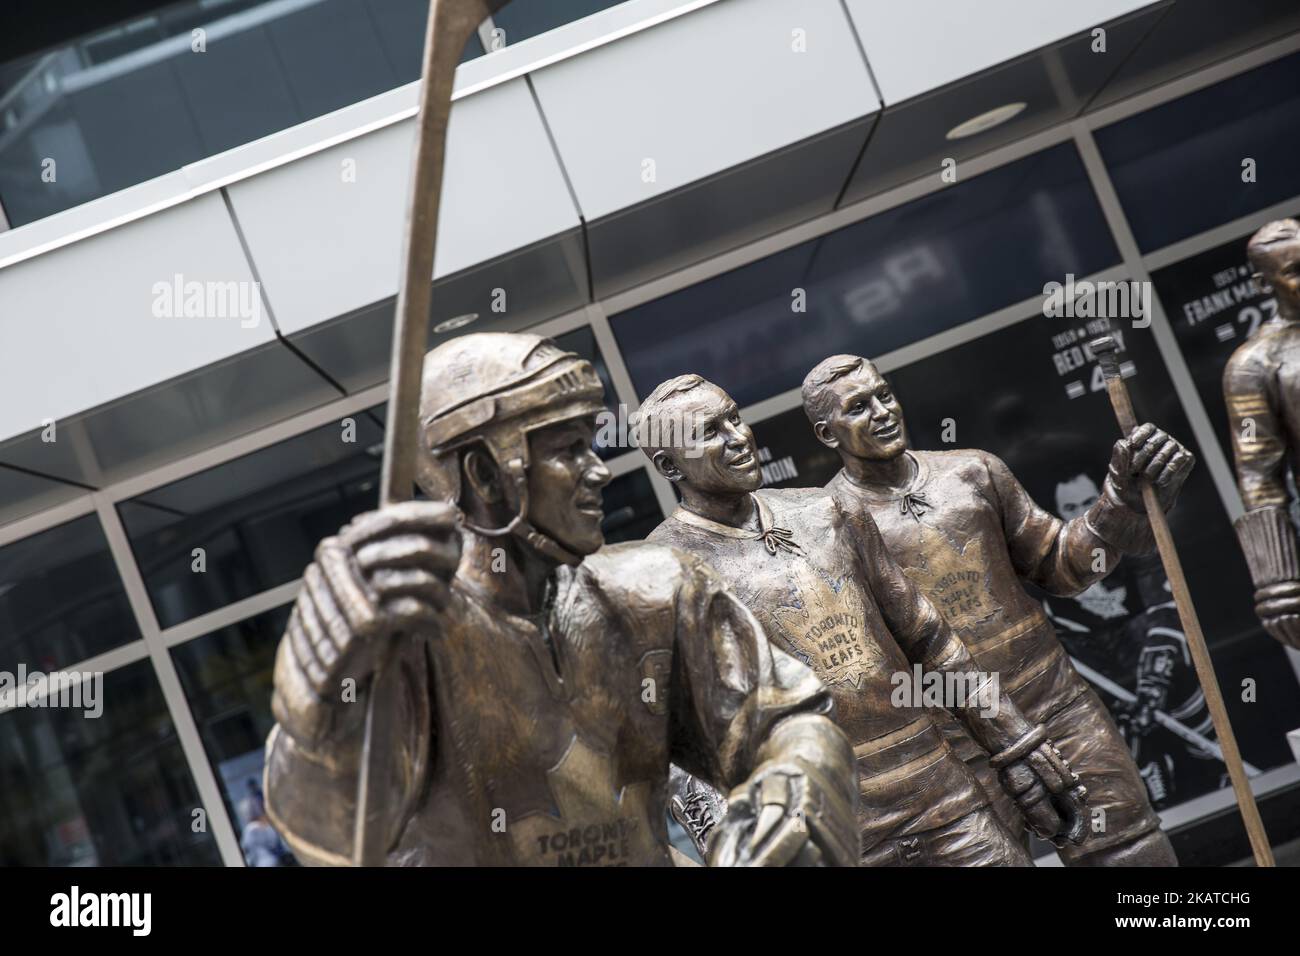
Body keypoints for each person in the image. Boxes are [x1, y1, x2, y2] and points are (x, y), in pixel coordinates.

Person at [263, 333, 859, 867]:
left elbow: (783, 718)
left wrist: (787, 794)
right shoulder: (409, 641)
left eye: (591, 446)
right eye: (568, 450)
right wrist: (312, 720)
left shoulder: (656, 586)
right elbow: (336, 840)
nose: (598, 472)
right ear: (485, 475)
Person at [635, 374, 1086, 866]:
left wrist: (1014, 744)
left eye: (735, 418)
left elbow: (927, 637)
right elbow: (673, 743)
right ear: (667, 464)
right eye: (709, 431)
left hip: (941, 792)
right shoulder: (661, 574)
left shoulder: (827, 510)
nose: (739, 437)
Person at [803, 353, 1194, 866]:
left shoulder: (973, 472)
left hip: (1053, 704)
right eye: (858, 406)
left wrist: (1121, 499)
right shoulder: (829, 527)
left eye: (884, 394)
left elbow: (1062, 565)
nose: (881, 411)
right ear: (827, 434)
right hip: (955, 742)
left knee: (1128, 850)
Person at [1224, 218, 1300, 649]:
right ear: (1262, 283)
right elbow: (1258, 473)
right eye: (1293, 272)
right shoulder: (1253, 366)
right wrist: (1279, 580)